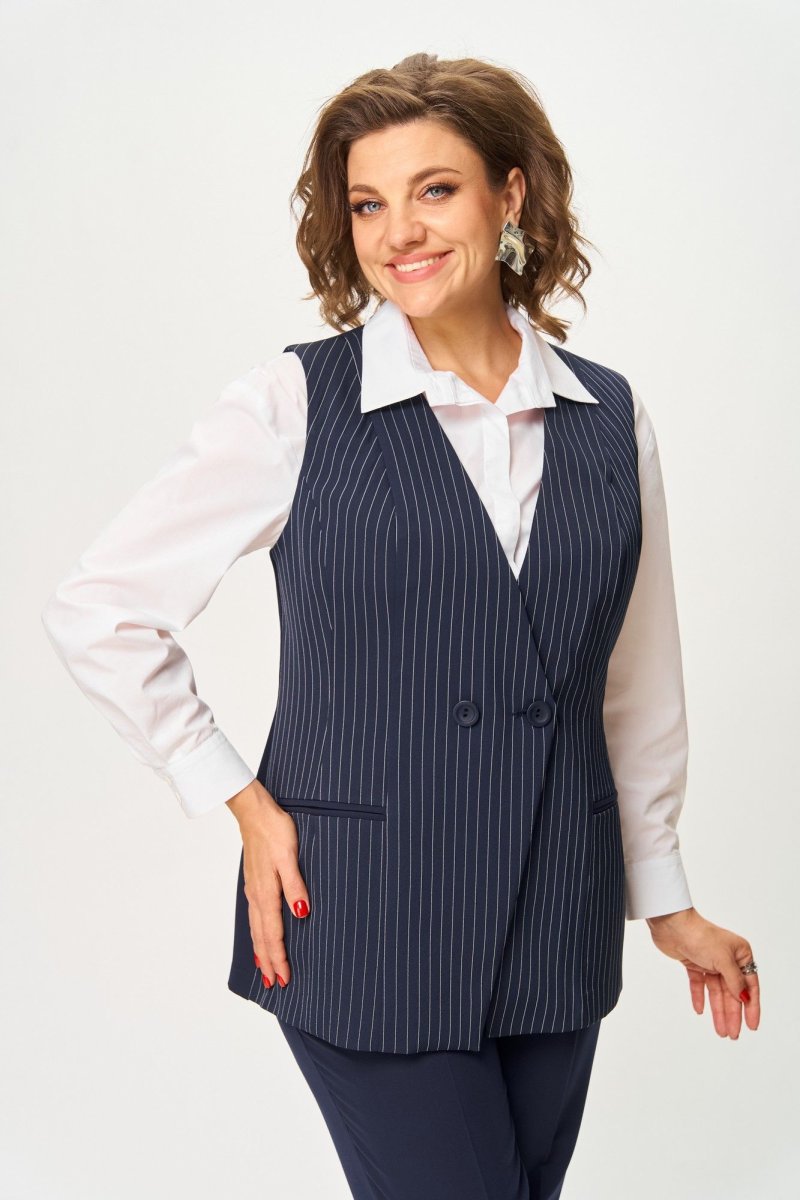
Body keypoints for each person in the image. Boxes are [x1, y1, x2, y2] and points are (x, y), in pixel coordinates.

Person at [41, 51, 760, 1199]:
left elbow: (632, 680)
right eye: (367, 203)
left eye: (434, 190)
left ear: (509, 194)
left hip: (556, 914)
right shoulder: (292, 404)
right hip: (366, 915)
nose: (397, 232)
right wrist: (236, 794)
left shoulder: (607, 415)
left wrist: (663, 897)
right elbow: (102, 607)